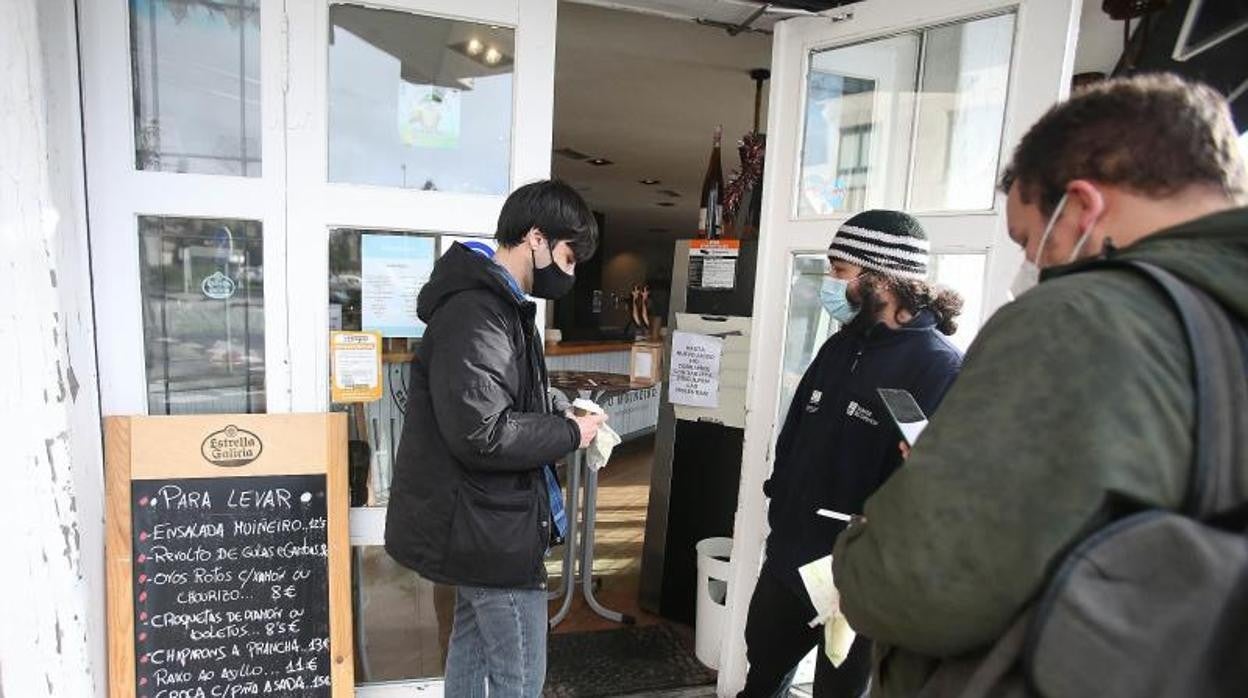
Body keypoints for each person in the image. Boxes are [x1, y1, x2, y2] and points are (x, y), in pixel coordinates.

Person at [832, 74, 1248, 697]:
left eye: (1030, 240)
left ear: (1082, 206)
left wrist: (856, 549)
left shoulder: (1084, 317)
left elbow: (913, 582)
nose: (1031, 268)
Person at [385, 179, 606, 697]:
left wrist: (552, 406)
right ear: (536, 237)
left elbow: (495, 400)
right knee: (519, 677)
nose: (569, 273)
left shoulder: (499, 305)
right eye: (569, 257)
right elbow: (481, 432)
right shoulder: (477, 310)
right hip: (488, 529)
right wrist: (571, 431)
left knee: (471, 650)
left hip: (484, 523)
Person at [738, 210, 965, 698]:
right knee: (761, 677)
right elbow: (796, 430)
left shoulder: (941, 367)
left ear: (881, 278)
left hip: (861, 579)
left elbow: (938, 491)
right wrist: (781, 500)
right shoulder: (838, 347)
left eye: (840, 273)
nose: (832, 286)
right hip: (788, 562)